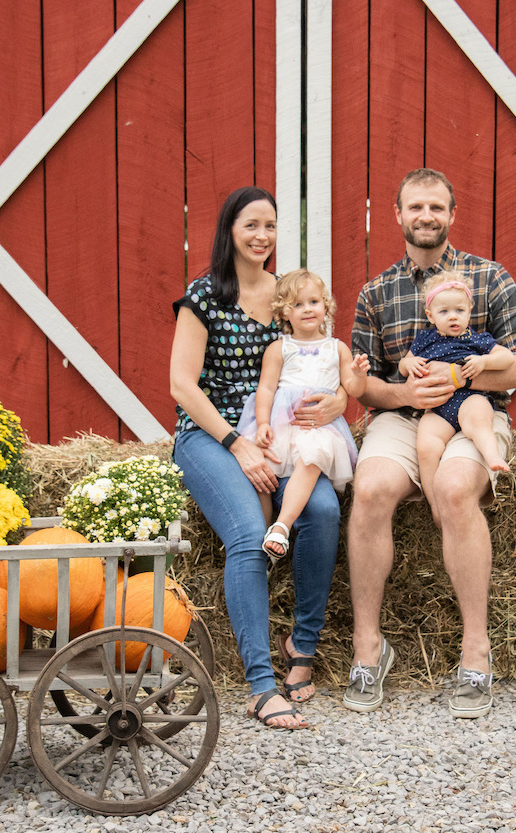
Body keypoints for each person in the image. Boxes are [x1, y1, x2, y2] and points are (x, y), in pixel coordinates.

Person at [344, 168, 516, 719]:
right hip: (405, 417)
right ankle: (368, 651)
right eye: (414, 207)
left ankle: (475, 653)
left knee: (455, 489)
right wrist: (404, 388)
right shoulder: (376, 291)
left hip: (473, 410)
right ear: (397, 216)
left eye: (436, 207)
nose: (425, 216)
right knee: (373, 487)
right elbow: (365, 384)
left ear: (452, 215)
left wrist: (459, 380)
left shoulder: (489, 278)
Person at [169, 187, 345, 729]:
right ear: (229, 229)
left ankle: (303, 647)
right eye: (251, 225)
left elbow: (322, 362)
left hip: (284, 434)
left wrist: (340, 400)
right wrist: (236, 443)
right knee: (248, 534)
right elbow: (181, 384)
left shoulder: (285, 296)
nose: (261, 236)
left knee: (323, 511)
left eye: (270, 225)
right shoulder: (204, 297)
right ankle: (261, 686)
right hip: (212, 433)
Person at [237, 269, 370, 573]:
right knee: (263, 477)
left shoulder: (337, 347)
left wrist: (359, 375)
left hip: (318, 426)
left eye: (314, 301)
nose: (307, 309)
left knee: (311, 460)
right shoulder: (278, 348)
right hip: (283, 425)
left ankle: (282, 527)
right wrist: (262, 424)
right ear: (284, 312)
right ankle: (265, 542)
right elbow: (267, 389)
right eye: (297, 304)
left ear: (326, 306)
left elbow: (354, 389)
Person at [398, 271, 514, 505]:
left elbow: (507, 358)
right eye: (444, 312)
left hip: (470, 399)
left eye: (459, 311)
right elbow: (403, 365)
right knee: (426, 446)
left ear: (469, 310)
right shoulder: (424, 339)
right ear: (430, 316)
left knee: (478, 423)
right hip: (437, 408)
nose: (453, 317)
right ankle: (434, 505)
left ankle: (492, 456)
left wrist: (484, 361)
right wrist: (408, 363)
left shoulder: (477, 340)